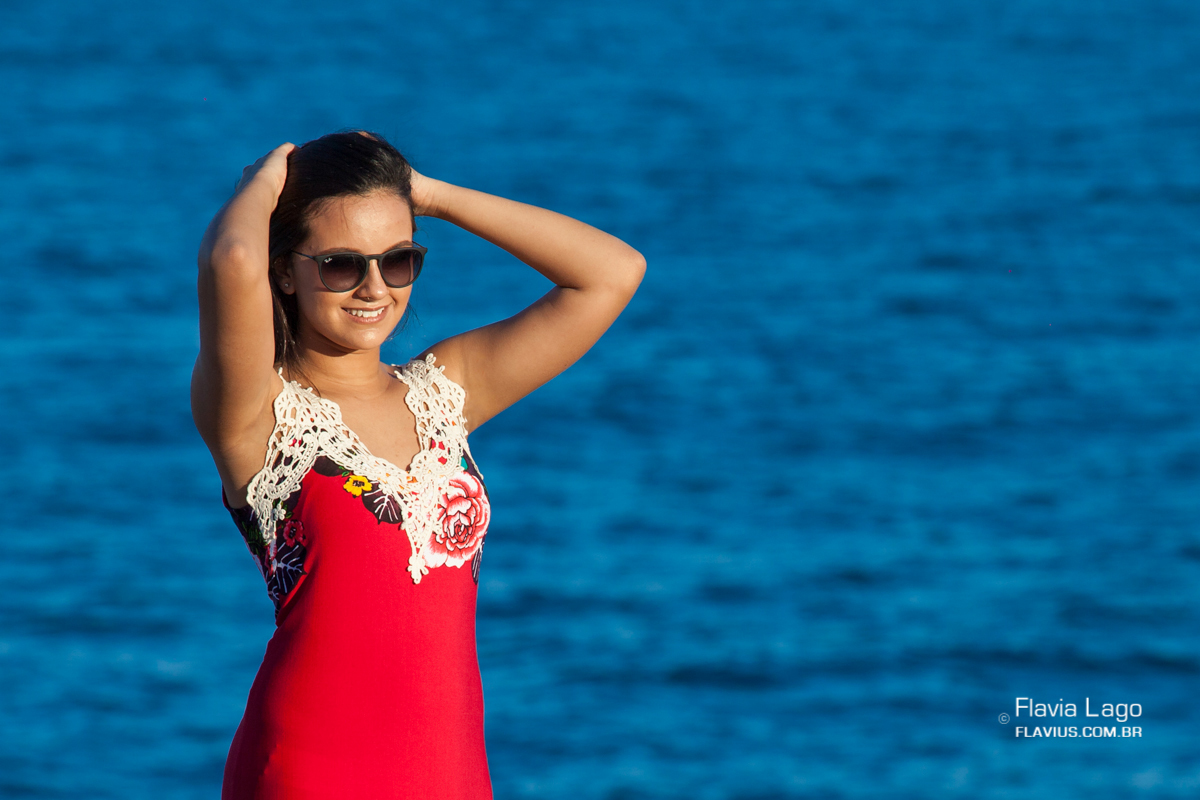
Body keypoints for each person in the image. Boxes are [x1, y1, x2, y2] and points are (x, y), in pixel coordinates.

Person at [190, 131, 645, 799]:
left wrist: (427, 192)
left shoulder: (445, 391)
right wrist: (262, 183)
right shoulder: (255, 415)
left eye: (398, 260)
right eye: (343, 265)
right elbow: (231, 256)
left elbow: (610, 273)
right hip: (308, 772)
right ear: (284, 270)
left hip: (450, 770)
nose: (375, 287)